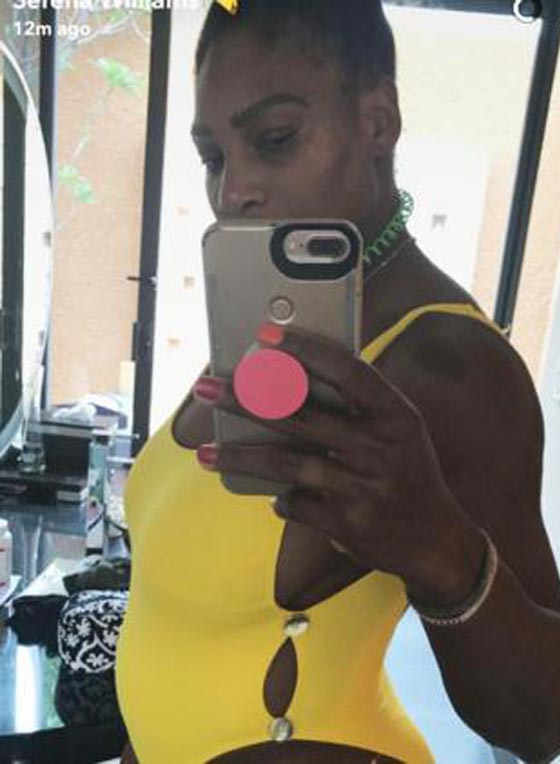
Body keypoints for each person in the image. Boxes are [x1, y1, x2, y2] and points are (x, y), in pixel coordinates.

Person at [115, 2, 560, 763]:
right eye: (213, 156)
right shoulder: (276, 314)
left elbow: (541, 725)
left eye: (274, 140)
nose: (234, 191)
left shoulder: (451, 363)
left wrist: (439, 550)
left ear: (378, 121)